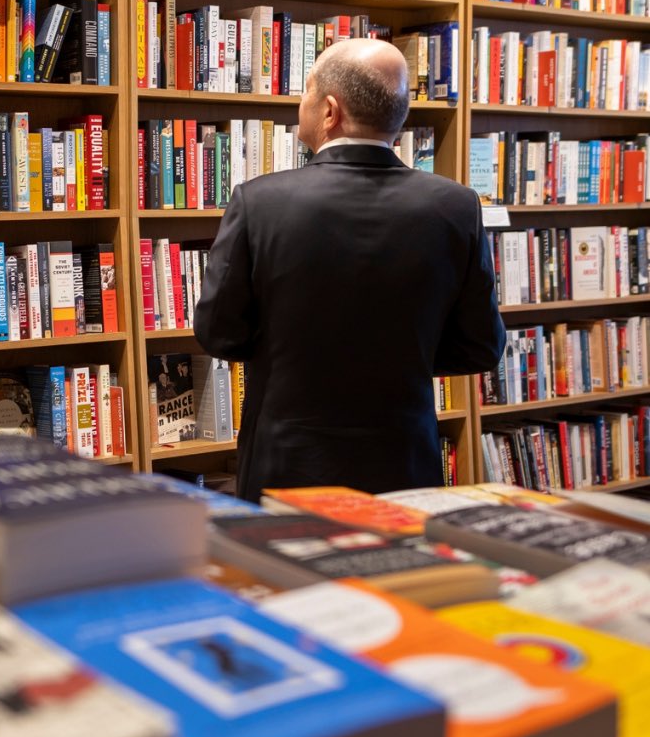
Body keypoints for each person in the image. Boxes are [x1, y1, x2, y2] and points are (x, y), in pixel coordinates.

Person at [193, 38, 505, 502]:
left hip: (287, 464)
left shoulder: (258, 202)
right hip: (406, 460)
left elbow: (219, 334)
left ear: (330, 111)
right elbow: (481, 347)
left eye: (306, 91)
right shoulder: (456, 206)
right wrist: (402, 353)